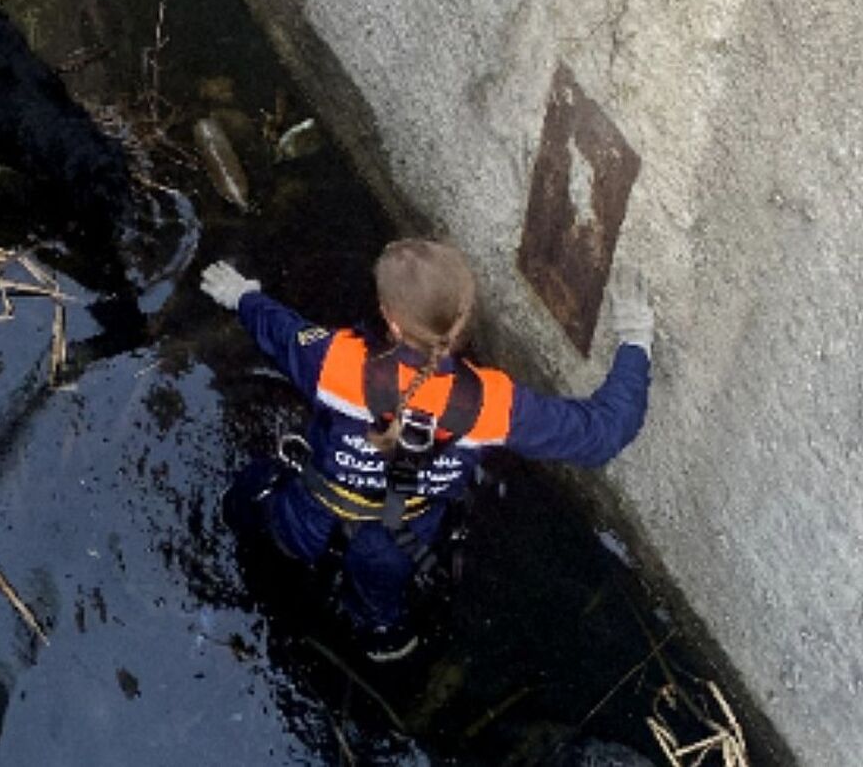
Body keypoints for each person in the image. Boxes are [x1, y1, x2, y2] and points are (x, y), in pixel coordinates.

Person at [200, 238, 653, 663]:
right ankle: (389, 651)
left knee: (250, 507)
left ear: (390, 320)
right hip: (399, 542)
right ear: (463, 319)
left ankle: (226, 571)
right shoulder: (491, 404)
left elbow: (283, 334)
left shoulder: (337, 362)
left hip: (309, 513)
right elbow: (602, 435)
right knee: (381, 620)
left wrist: (244, 296)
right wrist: (635, 340)